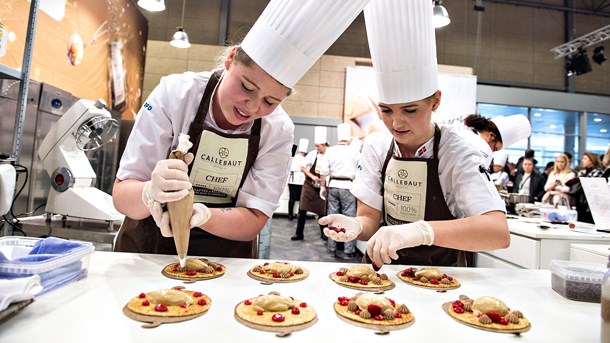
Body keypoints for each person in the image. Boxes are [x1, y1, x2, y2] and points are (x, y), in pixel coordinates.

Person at [112, 0, 371, 258]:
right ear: (231, 58)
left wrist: (201, 214)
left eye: (271, 101)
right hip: (148, 251)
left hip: (225, 257)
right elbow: (123, 195)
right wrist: (149, 192)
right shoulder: (175, 95)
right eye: (247, 87)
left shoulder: (277, 129)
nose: (252, 107)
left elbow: (255, 218)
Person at [318, 0, 509, 268]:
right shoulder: (377, 145)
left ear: (436, 101)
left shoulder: (457, 151)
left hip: (440, 276)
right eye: (386, 110)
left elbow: (497, 232)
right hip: (381, 271)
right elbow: (370, 219)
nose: (396, 123)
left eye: (410, 110)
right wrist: (356, 225)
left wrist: (421, 232)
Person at [318, 123, 360, 259]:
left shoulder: (331, 150)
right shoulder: (355, 151)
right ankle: (349, 250)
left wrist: (322, 187)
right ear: (348, 139)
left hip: (334, 185)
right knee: (349, 218)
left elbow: (324, 171)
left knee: (332, 217)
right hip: (349, 186)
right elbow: (361, 171)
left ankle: (331, 248)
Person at [291, 127, 329, 241]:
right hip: (309, 186)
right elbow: (303, 168)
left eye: (318, 146)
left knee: (322, 211)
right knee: (302, 209)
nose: (316, 148)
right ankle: (299, 234)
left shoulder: (329, 154)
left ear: (324, 145)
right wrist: (312, 176)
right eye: (315, 145)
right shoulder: (312, 154)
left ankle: (323, 233)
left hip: (321, 187)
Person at [462, 113, 531, 169]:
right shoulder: (468, 144)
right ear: (491, 136)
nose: (491, 151)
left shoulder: (467, 136)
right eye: (495, 148)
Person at [567, 152, 604, 223]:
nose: (582, 160)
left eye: (585, 158)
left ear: (592, 160)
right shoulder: (582, 172)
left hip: (590, 202)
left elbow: (591, 186)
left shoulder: (598, 172)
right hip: (578, 200)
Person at [287, 138, 308, 220]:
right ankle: (300, 214)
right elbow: (305, 169)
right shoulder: (304, 159)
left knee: (291, 198)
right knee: (300, 199)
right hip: (300, 180)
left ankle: (290, 215)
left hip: (291, 179)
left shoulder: (294, 157)